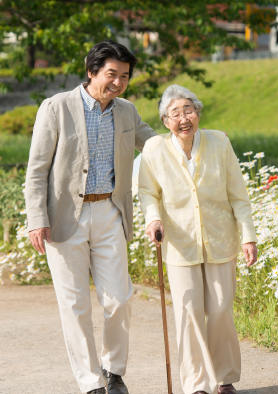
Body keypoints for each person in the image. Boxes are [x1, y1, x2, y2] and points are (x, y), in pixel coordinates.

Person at [25, 40, 157, 394]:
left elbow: (157, 145)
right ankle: (91, 383)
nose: (118, 82)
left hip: (111, 213)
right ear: (91, 71)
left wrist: (195, 134)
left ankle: (113, 371)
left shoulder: (127, 111)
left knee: (119, 298)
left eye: (125, 76)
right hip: (64, 216)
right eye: (111, 74)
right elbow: (36, 170)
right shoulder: (56, 107)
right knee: (75, 305)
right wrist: (37, 218)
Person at [138, 85, 258, 394]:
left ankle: (225, 378)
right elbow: (148, 193)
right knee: (188, 312)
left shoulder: (219, 142)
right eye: (175, 113)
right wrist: (153, 219)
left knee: (219, 309)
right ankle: (196, 385)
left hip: (220, 239)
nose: (183, 118)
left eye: (188, 110)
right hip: (179, 242)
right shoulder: (154, 149)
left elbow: (238, 195)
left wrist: (249, 236)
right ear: (166, 120)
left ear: (198, 113)